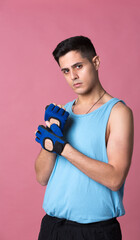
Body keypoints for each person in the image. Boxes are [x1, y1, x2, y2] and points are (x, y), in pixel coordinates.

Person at [35, 36, 134, 240]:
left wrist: (64, 148)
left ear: (95, 62)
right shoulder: (63, 113)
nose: (73, 76)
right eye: (66, 71)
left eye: (78, 66)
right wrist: (50, 142)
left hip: (94, 232)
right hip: (52, 227)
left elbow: (115, 179)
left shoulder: (117, 112)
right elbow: (42, 177)